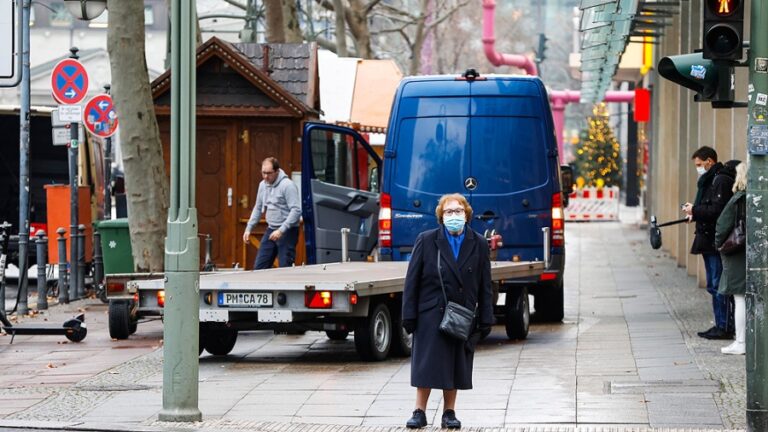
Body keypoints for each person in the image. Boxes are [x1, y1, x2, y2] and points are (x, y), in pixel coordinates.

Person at [401, 193, 494, 429]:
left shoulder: (479, 244)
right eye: (449, 212)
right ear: (441, 217)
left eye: (458, 211)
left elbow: (485, 285)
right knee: (426, 364)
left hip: (460, 315)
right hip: (430, 314)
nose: (454, 216)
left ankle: (449, 413)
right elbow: (411, 282)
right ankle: (419, 411)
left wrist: (485, 317)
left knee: (454, 365)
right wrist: (408, 315)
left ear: (467, 214)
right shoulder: (427, 239)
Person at [682, 147, 735, 340]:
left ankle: (724, 326)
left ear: (709, 161)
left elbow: (717, 210)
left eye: (699, 165)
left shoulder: (719, 180)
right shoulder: (709, 180)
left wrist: (695, 210)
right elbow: (709, 207)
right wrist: (694, 212)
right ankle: (720, 324)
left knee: (718, 284)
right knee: (714, 285)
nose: (698, 168)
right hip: (708, 238)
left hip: (715, 239)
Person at [242, 157, 301, 269]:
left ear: (277, 171)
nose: (265, 176)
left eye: (269, 173)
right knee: (259, 267)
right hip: (271, 229)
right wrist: (248, 228)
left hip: (287, 231)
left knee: (285, 267)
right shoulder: (263, 185)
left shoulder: (287, 185)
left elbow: (296, 211)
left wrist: (281, 230)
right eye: (263, 173)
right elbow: (258, 208)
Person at [715, 161, 746, 355]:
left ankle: (741, 341)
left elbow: (722, 225)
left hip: (737, 253)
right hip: (750, 252)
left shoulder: (738, 199)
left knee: (739, 297)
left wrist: (719, 244)